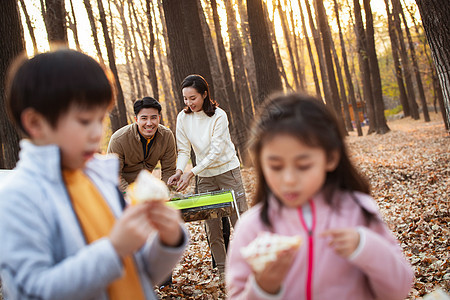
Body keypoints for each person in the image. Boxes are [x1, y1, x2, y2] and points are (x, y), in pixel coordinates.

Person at [0, 49, 188, 300]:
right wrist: (114, 249)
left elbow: (137, 272)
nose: (97, 133)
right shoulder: (18, 197)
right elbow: (33, 291)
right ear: (36, 123)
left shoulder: (99, 179)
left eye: (101, 120)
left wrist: (169, 240)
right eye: (84, 121)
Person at [226, 93, 414, 299]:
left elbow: (399, 290)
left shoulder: (358, 210)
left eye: (303, 165)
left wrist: (366, 247)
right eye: (276, 166)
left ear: (331, 158)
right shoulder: (252, 227)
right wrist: (263, 287)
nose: (289, 179)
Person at [167, 74, 248, 280]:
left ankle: (250, 265)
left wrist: (191, 173)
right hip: (205, 177)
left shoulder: (219, 116)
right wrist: (179, 171)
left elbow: (216, 151)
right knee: (212, 227)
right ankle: (222, 271)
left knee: (240, 221)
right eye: (185, 98)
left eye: (193, 98)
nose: (188, 103)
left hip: (227, 172)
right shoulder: (183, 118)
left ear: (204, 94)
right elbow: (184, 150)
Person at [107, 97, 176, 192]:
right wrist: (132, 196)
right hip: (120, 191)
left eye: (153, 118)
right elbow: (114, 174)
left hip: (145, 189)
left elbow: (169, 170)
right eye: (144, 118)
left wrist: (163, 192)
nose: (149, 123)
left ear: (159, 118)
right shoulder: (118, 139)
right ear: (136, 119)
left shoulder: (166, 136)